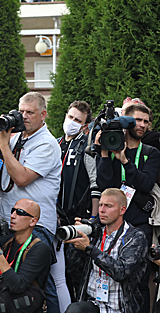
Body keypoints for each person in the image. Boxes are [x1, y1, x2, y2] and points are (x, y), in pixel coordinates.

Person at [0, 92, 62, 313]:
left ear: (43, 115)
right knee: (8, 284)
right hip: (9, 220)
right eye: (21, 111)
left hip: (35, 226)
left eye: (30, 113)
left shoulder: (47, 144)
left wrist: (4, 144)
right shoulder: (16, 137)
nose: (24, 117)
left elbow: (22, 178)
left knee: (37, 286)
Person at [96, 103, 160, 311]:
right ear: (126, 122)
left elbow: (146, 183)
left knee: (139, 280)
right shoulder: (111, 145)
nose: (142, 125)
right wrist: (105, 155)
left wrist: (124, 160)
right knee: (106, 272)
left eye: (146, 121)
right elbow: (105, 186)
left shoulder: (151, 152)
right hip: (113, 224)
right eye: (137, 120)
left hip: (139, 225)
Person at [65, 188, 148, 313]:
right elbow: (72, 269)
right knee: (75, 310)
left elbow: (121, 272)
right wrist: (76, 240)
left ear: (122, 210)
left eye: (108, 206)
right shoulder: (95, 234)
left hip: (121, 307)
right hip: (94, 303)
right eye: (100, 205)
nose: (102, 210)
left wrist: (90, 249)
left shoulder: (135, 237)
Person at [0, 199, 51, 313]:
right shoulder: (6, 242)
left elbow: (18, 286)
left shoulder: (40, 249)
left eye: (20, 212)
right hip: (2, 303)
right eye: (13, 211)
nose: (12, 216)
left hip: (22, 307)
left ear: (33, 221)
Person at [58, 101, 99, 304]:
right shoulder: (56, 144)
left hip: (77, 219)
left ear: (85, 126)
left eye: (77, 120)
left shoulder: (86, 147)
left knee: (75, 272)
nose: (71, 122)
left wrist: (91, 218)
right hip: (55, 217)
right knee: (57, 273)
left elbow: (94, 183)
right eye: (70, 117)